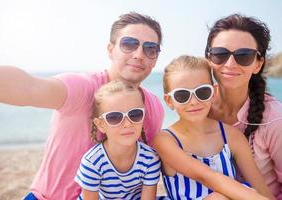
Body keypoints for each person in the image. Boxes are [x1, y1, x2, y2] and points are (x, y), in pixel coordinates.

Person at [0, 12, 164, 200]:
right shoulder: (82, 88)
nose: (139, 54)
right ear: (110, 49)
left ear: (156, 58)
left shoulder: (153, 107)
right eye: (129, 44)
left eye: (150, 49)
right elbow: (29, 88)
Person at [153, 55, 274, 199]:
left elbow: (260, 189)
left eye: (202, 92)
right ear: (169, 101)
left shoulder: (231, 136)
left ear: (213, 92)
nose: (193, 102)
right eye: (182, 95)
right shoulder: (165, 140)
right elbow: (208, 177)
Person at [205, 14, 282, 199]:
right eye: (220, 54)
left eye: (244, 55)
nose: (230, 64)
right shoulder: (197, 105)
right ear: (209, 58)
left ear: (258, 64)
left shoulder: (275, 119)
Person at [75, 80, 160, 200]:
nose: (127, 124)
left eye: (135, 114)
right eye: (114, 117)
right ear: (101, 125)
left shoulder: (150, 158)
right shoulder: (92, 162)